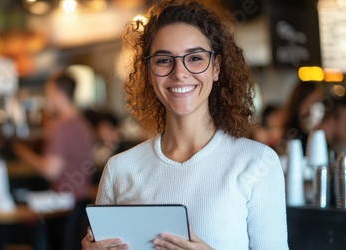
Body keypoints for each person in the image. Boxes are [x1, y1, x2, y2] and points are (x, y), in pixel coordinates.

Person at [81, 0, 288, 249]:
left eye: (195, 58)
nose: (179, 72)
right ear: (148, 72)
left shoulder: (258, 162)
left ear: (216, 67)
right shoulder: (120, 169)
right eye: (164, 60)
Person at [13, 72, 95, 250]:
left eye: (48, 93)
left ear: (59, 93)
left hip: (63, 205)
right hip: (81, 204)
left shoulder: (62, 127)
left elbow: (51, 170)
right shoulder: (84, 124)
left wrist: (22, 152)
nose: (47, 99)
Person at [280, 81, 324, 154]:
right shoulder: (292, 130)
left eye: (318, 101)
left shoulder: (320, 128)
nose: (315, 106)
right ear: (300, 102)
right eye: (312, 101)